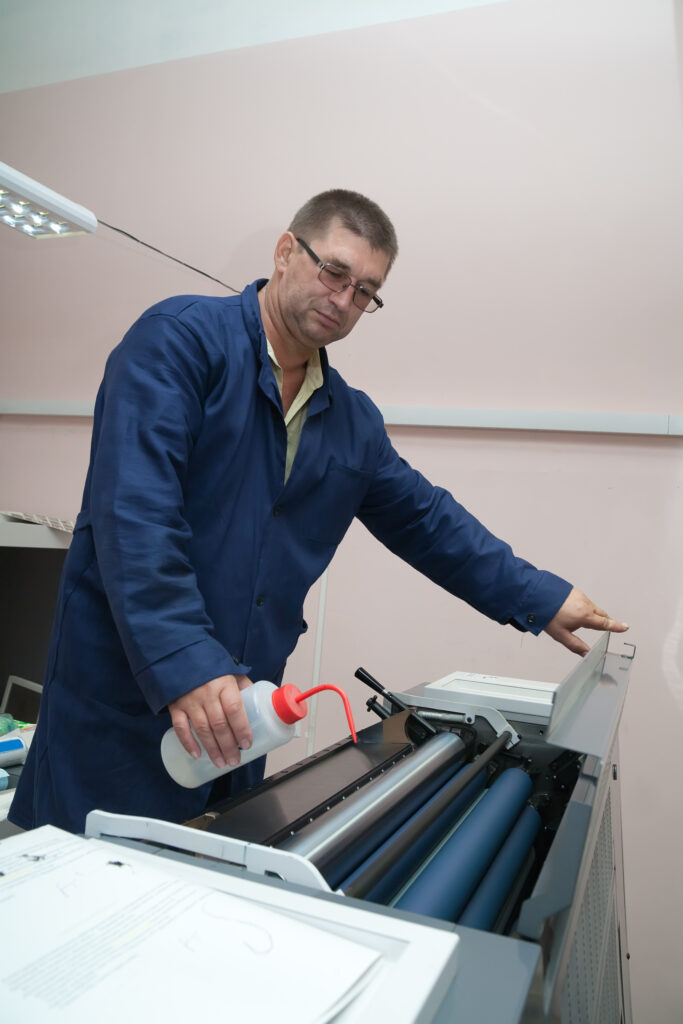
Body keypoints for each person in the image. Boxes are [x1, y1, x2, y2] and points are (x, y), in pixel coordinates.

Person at [10, 189, 628, 834]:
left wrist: (540, 596)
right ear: (285, 252)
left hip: (241, 715)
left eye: (365, 292)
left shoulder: (350, 420)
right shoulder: (178, 343)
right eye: (335, 272)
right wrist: (189, 662)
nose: (344, 300)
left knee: (204, 873)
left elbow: (427, 520)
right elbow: (136, 519)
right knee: (87, 878)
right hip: (125, 702)